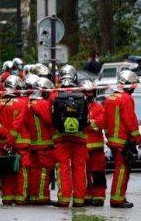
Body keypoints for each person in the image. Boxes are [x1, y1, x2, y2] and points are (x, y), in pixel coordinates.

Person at [104, 70, 141, 209]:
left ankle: (120, 196)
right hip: (122, 141)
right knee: (122, 170)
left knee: (120, 169)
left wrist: (109, 137)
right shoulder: (126, 98)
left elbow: (106, 121)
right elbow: (131, 121)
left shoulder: (110, 98)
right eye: (133, 86)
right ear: (128, 85)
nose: (134, 88)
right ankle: (117, 200)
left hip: (113, 141)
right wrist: (138, 139)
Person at [0, 75, 32, 205]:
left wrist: (4, 134)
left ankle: (7, 198)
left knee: (6, 172)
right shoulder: (22, 103)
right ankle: (20, 199)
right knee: (22, 172)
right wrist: (10, 139)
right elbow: (18, 124)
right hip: (19, 143)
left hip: (2, 144)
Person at [52, 65, 89, 207]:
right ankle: (79, 200)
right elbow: (86, 120)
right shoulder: (82, 95)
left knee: (63, 169)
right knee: (79, 169)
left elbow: (52, 116)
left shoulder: (55, 94)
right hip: (79, 139)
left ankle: (64, 199)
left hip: (61, 139)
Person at [26, 77, 55, 205]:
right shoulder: (43, 104)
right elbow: (50, 121)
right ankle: (42, 197)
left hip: (32, 144)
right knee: (44, 172)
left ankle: (33, 196)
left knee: (33, 171)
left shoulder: (27, 103)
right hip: (44, 143)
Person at [81, 80, 107, 206]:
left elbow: (100, 124)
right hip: (83, 147)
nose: (90, 94)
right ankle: (87, 196)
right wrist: (90, 122)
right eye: (87, 91)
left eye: (91, 91)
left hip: (96, 148)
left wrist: (86, 123)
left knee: (98, 174)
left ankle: (99, 197)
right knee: (84, 174)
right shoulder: (78, 106)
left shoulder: (99, 107)